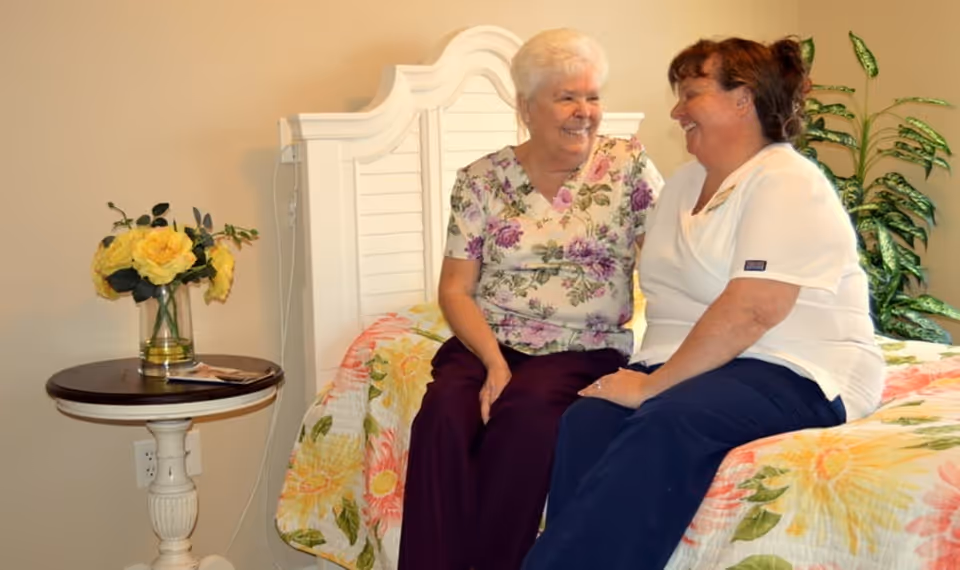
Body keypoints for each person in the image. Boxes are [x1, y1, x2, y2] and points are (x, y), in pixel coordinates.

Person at [521, 36, 884, 570]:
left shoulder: (786, 180)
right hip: (700, 366)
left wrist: (649, 387)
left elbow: (754, 309)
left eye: (691, 93)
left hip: (795, 365)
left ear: (744, 100)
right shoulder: (683, 184)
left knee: (668, 419)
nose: (676, 109)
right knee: (588, 419)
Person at [397, 28, 664, 570]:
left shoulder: (626, 166)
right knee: (444, 415)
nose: (584, 112)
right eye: (567, 97)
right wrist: (494, 363)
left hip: (581, 347)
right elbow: (455, 289)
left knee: (525, 417)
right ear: (526, 107)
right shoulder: (481, 181)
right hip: (487, 342)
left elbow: (667, 262)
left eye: (592, 96)